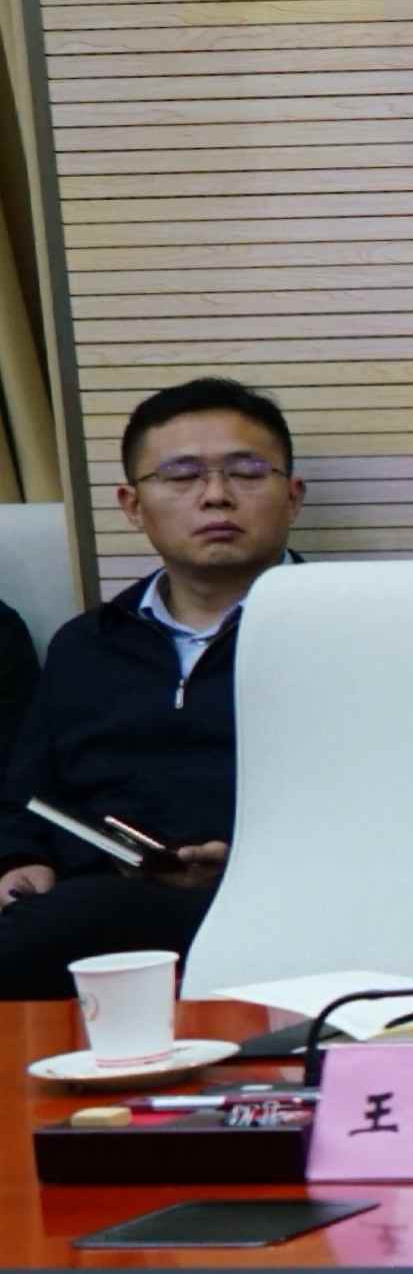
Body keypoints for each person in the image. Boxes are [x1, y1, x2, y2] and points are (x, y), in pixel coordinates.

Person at [0, 379, 302, 997]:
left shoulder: (344, 631)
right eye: (181, 476)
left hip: (286, 897)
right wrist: (19, 862)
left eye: (247, 473)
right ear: (132, 505)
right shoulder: (87, 644)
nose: (216, 496)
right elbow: (26, 797)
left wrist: (245, 859)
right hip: (95, 907)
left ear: (293, 496)